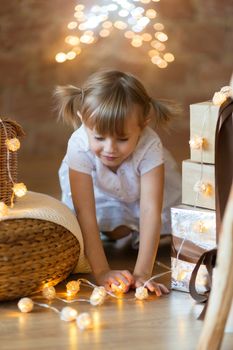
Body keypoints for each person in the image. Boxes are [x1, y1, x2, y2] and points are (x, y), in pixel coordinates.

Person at [56, 70, 181, 296]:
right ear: (84, 122)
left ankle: (131, 232)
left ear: (143, 125)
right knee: (108, 229)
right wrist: (102, 272)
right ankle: (118, 231)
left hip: (138, 189)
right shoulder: (79, 145)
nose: (110, 149)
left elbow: (150, 209)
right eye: (99, 138)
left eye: (122, 139)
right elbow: (85, 212)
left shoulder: (150, 144)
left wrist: (143, 273)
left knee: (161, 227)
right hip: (100, 191)